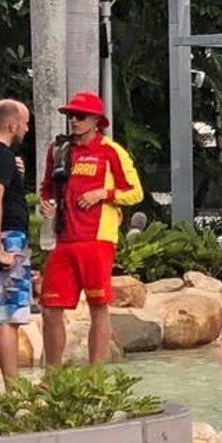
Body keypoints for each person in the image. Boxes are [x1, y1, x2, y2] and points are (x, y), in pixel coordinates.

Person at [38, 91, 143, 368]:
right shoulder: (58, 150)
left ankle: (95, 375)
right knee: (50, 308)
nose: (74, 120)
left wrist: (103, 193)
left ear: (97, 120)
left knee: (98, 306)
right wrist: (46, 204)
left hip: (97, 239)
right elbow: (47, 189)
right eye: (71, 115)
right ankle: (53, 375)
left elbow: (135, 192)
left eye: (80, 116)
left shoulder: (111, 151)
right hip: (64, 239)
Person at [0, 100, 32, 391]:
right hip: (7, 238)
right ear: (13, 124)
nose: (27, 129)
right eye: (26, 123)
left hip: (2, 237)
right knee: (8, 318)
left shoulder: (4, 159)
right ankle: (13, 392)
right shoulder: (2, 157)